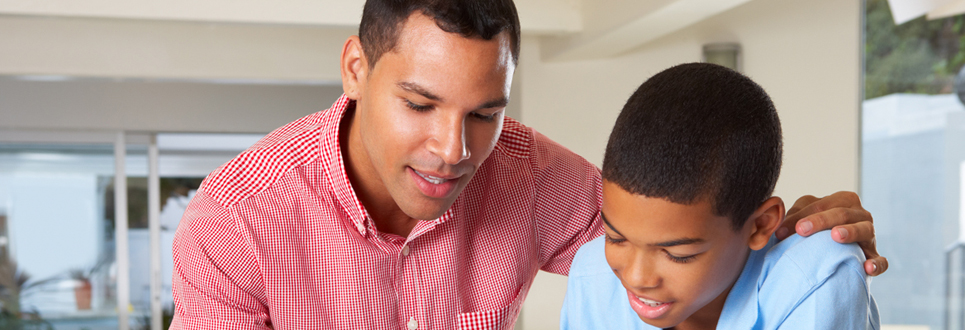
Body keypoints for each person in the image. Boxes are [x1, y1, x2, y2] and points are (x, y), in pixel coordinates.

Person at [171, 1, 887, 329]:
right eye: (419, 104)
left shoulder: (537, 180)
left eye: (484, 113)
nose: (454, 151)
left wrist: (808, 240)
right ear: (356, 69)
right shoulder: (234, 224)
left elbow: (679, 240)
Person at [560, 63, 880, 329]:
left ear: (759, 226)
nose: (637, 278)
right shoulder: (593, 275)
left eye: (679, 254)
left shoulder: (816, 275)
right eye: (616, 238)